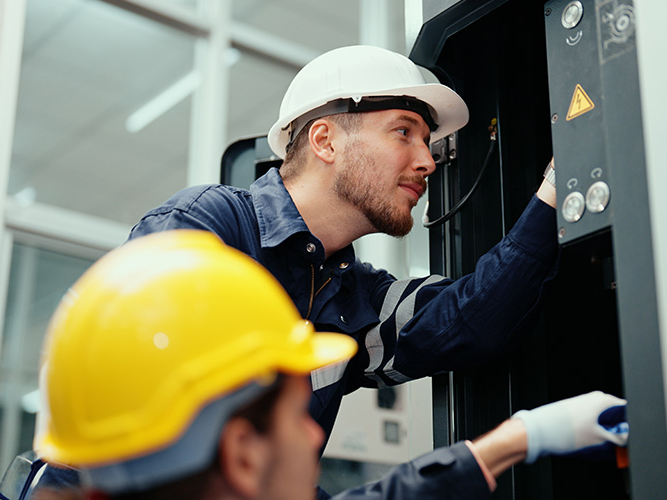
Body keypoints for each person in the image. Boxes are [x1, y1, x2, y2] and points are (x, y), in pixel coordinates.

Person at [127, 45, 565, 468]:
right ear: (325, 141)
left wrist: (556, 187)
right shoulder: (207, 227)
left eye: (427, 141)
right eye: (403, 132)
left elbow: (473, 317)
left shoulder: (353, 297)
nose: (428, 161)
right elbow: (159, 436)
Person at [4, 230, 627, 500]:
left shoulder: (344, 286)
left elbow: (468, 316)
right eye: (293, 415)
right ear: (243, 455)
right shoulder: (210, 229)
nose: (314, 430)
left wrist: (522, 438)